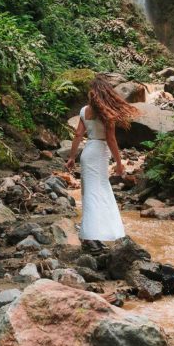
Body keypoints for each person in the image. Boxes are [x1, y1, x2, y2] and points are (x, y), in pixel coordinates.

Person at [65, 74, 135, 241]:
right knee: (102, 188)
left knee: (89, 191)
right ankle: (107, 230)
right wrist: (119, 163)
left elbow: (78, 135)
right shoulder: (107, 113)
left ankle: (90, 231)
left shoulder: (84, 110)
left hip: (88, 152)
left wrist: (72, 157)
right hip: (100, 151)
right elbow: (111, 139)